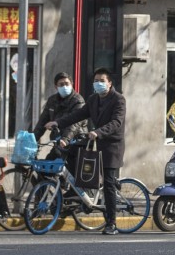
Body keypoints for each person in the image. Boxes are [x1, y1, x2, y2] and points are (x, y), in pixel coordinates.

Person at [54, 68, 126, 235]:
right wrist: (58, 123)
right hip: (97, 145)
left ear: (109, 83)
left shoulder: (118, 100)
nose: (98, 84)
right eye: (96, 81)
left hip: (112, 146)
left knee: (107, 183)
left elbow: (116, 122)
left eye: (102, 80)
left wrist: (98, 132)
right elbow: (78, 115)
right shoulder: (93, 99)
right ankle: (112, 185)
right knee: (91, 177)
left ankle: (111, 223)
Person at [33, 71, 87, 157]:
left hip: (75, 142)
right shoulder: (52, 100)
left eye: (67, 83)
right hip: (57, 141)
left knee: (70, 167)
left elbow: (74, 123)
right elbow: (42, 121)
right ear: (56, 87)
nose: (64, 86)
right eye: (61, 84)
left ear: (72, 84)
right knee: (47, 166)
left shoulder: (78, 100)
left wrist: (65, 139)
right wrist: (33, 139)